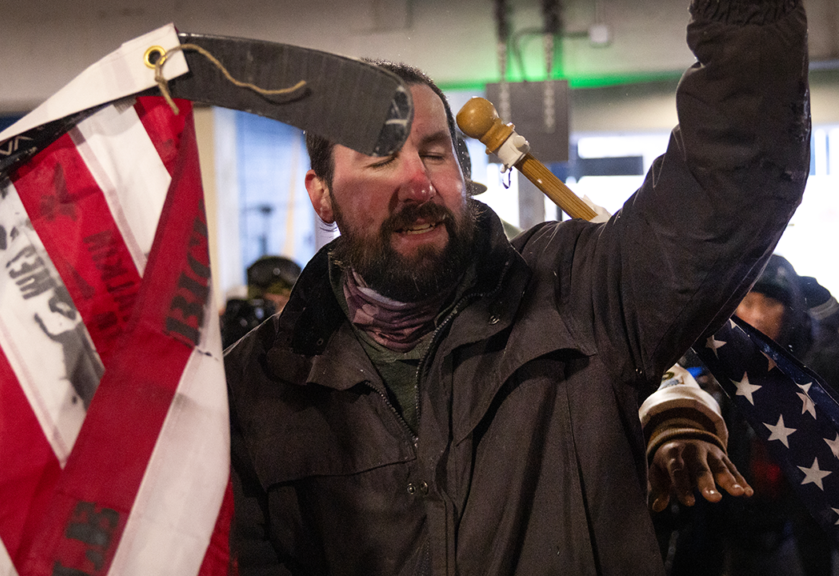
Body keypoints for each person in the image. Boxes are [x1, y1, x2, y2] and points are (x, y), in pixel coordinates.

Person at [225, 0, 811, 573]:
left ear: (464, 174)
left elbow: (733, 176)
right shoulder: (255, 386)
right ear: (321, 194)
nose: (419, 183)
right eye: (380, 159)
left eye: (435, 153)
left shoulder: (578, 292)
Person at [656, 255, 836, 576]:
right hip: (721, 527)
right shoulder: (707, 356)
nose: (756, 315)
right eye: (746, 301)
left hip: (797, 534)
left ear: (791, 307)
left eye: (770, 303)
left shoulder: (818, 370)